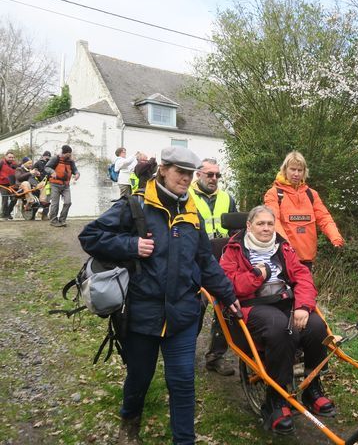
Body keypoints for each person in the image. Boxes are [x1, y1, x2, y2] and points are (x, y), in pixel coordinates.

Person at [78, 146, 241, 445]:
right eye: (180, 171)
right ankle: (129, 423)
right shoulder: (135, 205)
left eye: (190, 173)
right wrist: (130, 246)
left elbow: (205, 261)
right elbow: (90, 236)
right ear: (163, 169)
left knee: (182, 383)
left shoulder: (192, 212)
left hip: (183, 315)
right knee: (139, 378)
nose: (186, 178)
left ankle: (184, 440)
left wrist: (228, 294)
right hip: (141, 315)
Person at [220, 205, 335, 435]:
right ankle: (276, 400)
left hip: (287, 302)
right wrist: (257, 275)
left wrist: (303, 306)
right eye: (260, 223)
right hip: (253, 306)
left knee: (316, 327)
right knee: (280, 329)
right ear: (249, 225)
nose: (266, 228)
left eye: (270, 224)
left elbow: (302, 276)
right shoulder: (233, 249)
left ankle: (312, 388)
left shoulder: (282, 246)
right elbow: (228, 284)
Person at [188, 158, 238, 376]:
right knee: (194, 308)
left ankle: (215, 357)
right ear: (198, 175)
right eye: (210, 174)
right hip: (195, 261)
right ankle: (184, 354)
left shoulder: (227, 198)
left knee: (225, 308)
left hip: (222, 261)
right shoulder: (185, 197)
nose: (214, 179)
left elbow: (237, 231)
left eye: (218, 175)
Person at [264, 151, 344, 270]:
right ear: (285, 169)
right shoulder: (274, 193)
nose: (296, 173)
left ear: (304, 172)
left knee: (306, 289)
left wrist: (335, 237)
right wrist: (286, 246)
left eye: (300, 170)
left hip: (307, 260)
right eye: (292, 169)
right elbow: (273, 221)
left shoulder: (311, 194)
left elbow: (324, 218)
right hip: (284, 258)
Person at [45, 145, 80, 227]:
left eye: (70, 154)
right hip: (55, 184)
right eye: (67, 154)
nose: (69, 156)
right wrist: (52, 172)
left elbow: (75, 169)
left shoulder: (70, 161)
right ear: (63, 153)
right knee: (55, 203)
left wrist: (77, 174)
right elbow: (47, 167)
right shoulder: (55, 158)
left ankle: (62, 219)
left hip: (66, 185)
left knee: (68, 202)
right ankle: (53, 220)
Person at [33, 151, 52, 220]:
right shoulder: (38, 163)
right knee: (41, 200)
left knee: (48, 199)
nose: (47, 158)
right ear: (43, 156)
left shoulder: (50, 163)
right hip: (41, 183)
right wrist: (37, 173)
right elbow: (33, 171)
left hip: (49, 183)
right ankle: (36, 214)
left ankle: (45, 215)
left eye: (49, 157)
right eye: (46, 156)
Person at [0, 150, 17, 220]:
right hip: (2, 184)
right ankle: (3, 215)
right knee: (5, 199)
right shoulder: (1, 162)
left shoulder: (14, 164)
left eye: (12, 157)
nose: (11, 159)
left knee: (14, 198)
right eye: (9, 157)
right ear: (6, 156)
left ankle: (7, 213)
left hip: (11, 185)